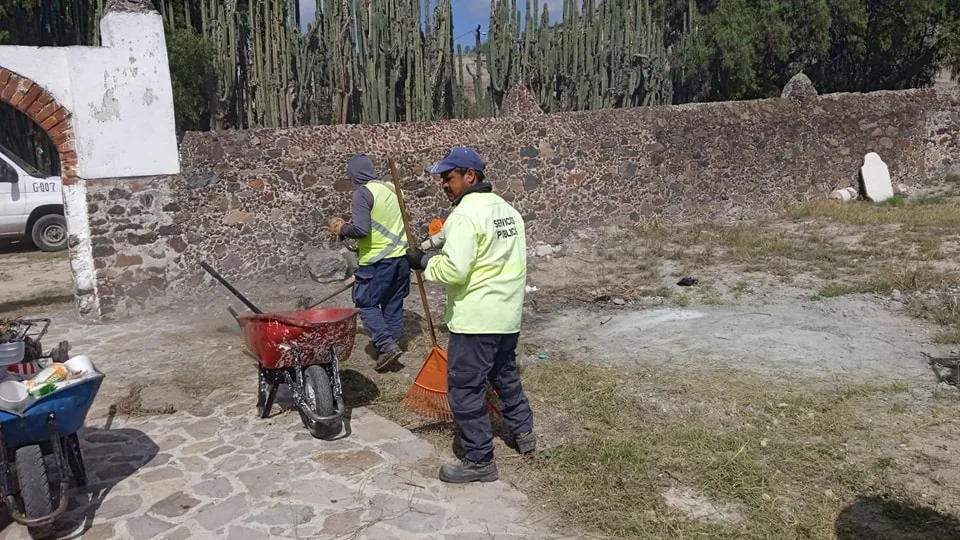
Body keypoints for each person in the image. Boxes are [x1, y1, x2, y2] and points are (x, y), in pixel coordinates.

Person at [405, 146, 536, 484]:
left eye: (448, 178)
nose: (443, 185)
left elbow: (455, 270)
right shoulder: (507, 211)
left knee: (464, 389)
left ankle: (480, 461)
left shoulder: (464, 216)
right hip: (506, 317)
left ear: (470, 176)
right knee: (504, 377)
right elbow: (458, 237)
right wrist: (430, 243)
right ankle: (525, 436)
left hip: (476, 320)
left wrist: (423, 262)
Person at [329, 153, 410, 372]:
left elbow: (362, 230)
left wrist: (342, 228)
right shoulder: (393, 189)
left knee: (366, 303)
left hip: (377, 261)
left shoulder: (362, 194)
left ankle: (385, 344)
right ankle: (391, 345)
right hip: (401, 259)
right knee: (393, 303)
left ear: (354, 176)